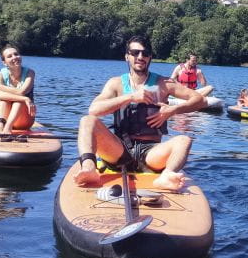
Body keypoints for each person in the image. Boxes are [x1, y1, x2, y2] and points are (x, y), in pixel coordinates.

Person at [74, 36, 205, 191]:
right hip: (119, 151)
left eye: (145, 53)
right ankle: (89, 168)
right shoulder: (115, 83)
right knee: (87, 121)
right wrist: (130, 97)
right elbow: (94, 110)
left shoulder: (164, 83)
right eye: (135, 53)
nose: (140, 57)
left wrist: (172, 110)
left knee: (184, 140)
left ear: (150, 57)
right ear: (127, 56)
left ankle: (167, 176)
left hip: (151, 153)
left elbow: (199, 99)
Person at [0, 45, 36, 141]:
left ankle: (8, 128)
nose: (14, 57)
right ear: (4, 62)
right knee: (4, 100)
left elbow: (21, 91)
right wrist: (25, 98)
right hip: (1, 117)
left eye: (16, 54)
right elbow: (0, 95)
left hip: (22, 120)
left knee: (18, 101)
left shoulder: (30, 73)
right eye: (10, 56)